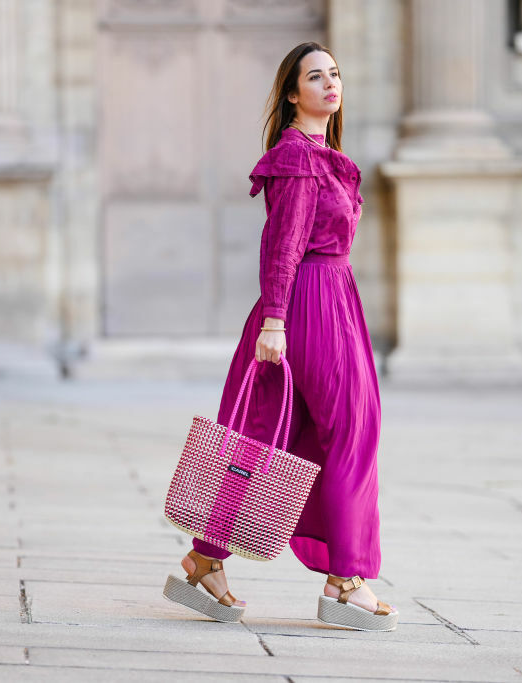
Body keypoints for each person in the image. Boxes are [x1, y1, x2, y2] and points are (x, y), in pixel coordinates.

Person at [162, 42, 396, 632]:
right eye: (315, 77)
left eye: (335, 73)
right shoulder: (297, 157)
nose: (330, 83)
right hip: (308, 306)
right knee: (350, 429)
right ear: (293, 94)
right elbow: (283, 245)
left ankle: (205, 560)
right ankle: (345, 581)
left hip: (334, 298)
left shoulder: (323, 153)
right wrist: (274, 321)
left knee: (271, 434)